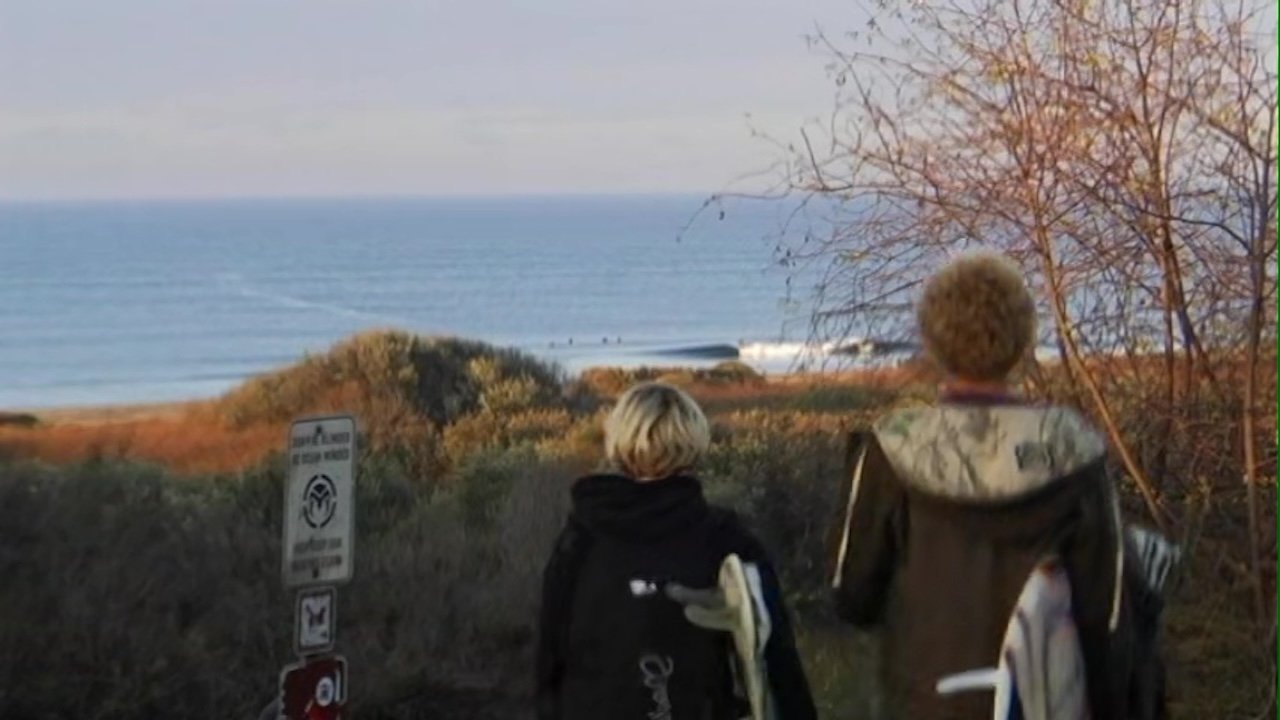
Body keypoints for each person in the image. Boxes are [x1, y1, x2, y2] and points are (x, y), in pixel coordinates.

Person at [831, 251, 1158, 719]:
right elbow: (1107, 616)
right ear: (1022, 339)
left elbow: (852, 596)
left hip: (924, 702)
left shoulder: (891, 451)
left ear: (932, 339)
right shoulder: (1074, 451)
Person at [536, 382, 817, 720]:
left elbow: (548, 659)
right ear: (693, 442)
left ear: (618, 440)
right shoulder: (725, 539)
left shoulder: (580, 537)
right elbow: (776, 658)